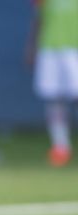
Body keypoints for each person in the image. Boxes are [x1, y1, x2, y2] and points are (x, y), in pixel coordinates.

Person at [27, 0, 78, 167]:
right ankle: (61, 147)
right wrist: (32, 46)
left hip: (73, 50)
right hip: (48, 49)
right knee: (53, 99)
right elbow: (38, 20)